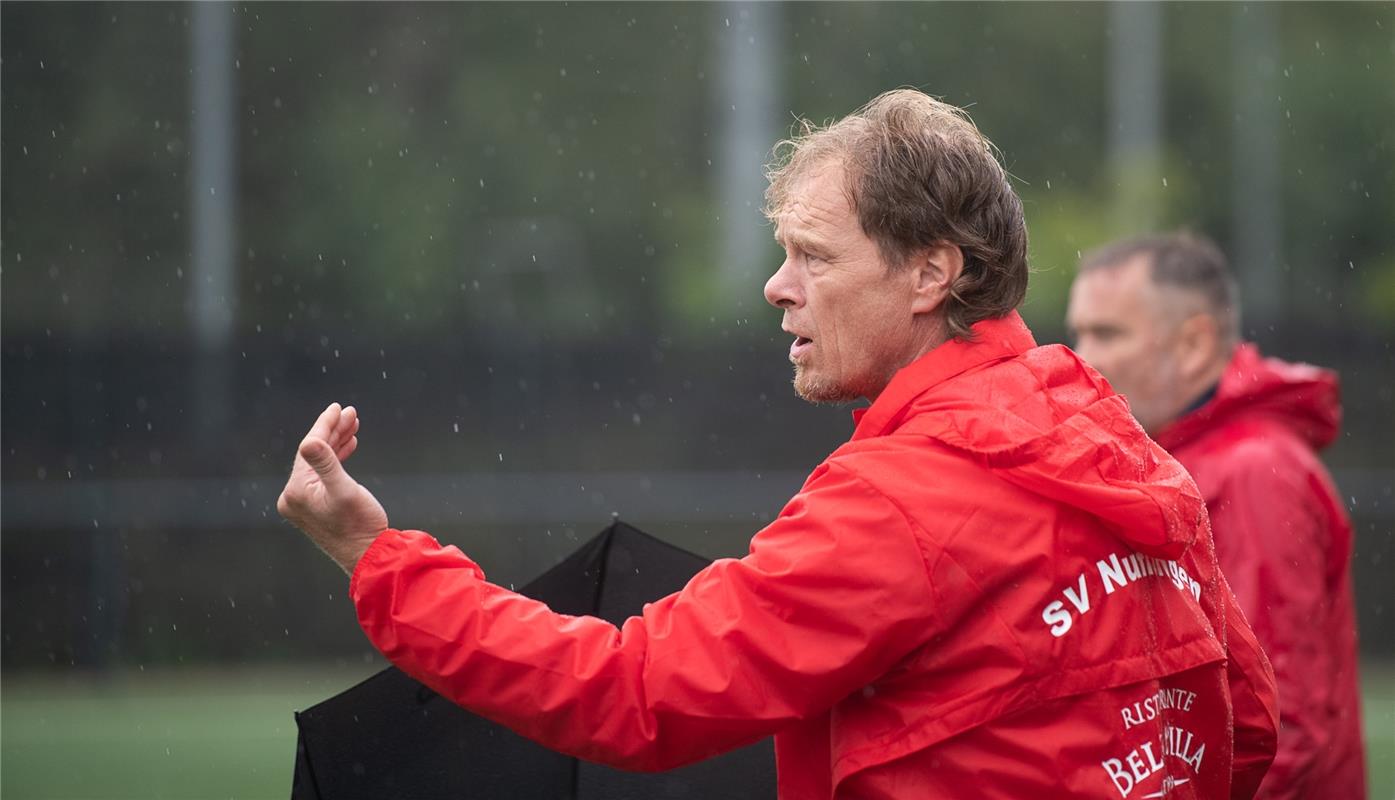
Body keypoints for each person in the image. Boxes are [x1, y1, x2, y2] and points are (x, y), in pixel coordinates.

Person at [279, 90, 1278, 798]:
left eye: (814, 255)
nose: (777, 286)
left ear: (930, 273)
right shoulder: (1124, 444)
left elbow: (635, 693)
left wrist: (381, 563)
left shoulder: (906, 497)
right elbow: (1249, 726)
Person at [1067, 232, 1366, 799]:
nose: (1083, 357)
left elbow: (1279, 725)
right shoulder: (1185, 458)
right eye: (1078, 332)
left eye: (1107, 333)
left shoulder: (1253, 471)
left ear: (1194, 346)